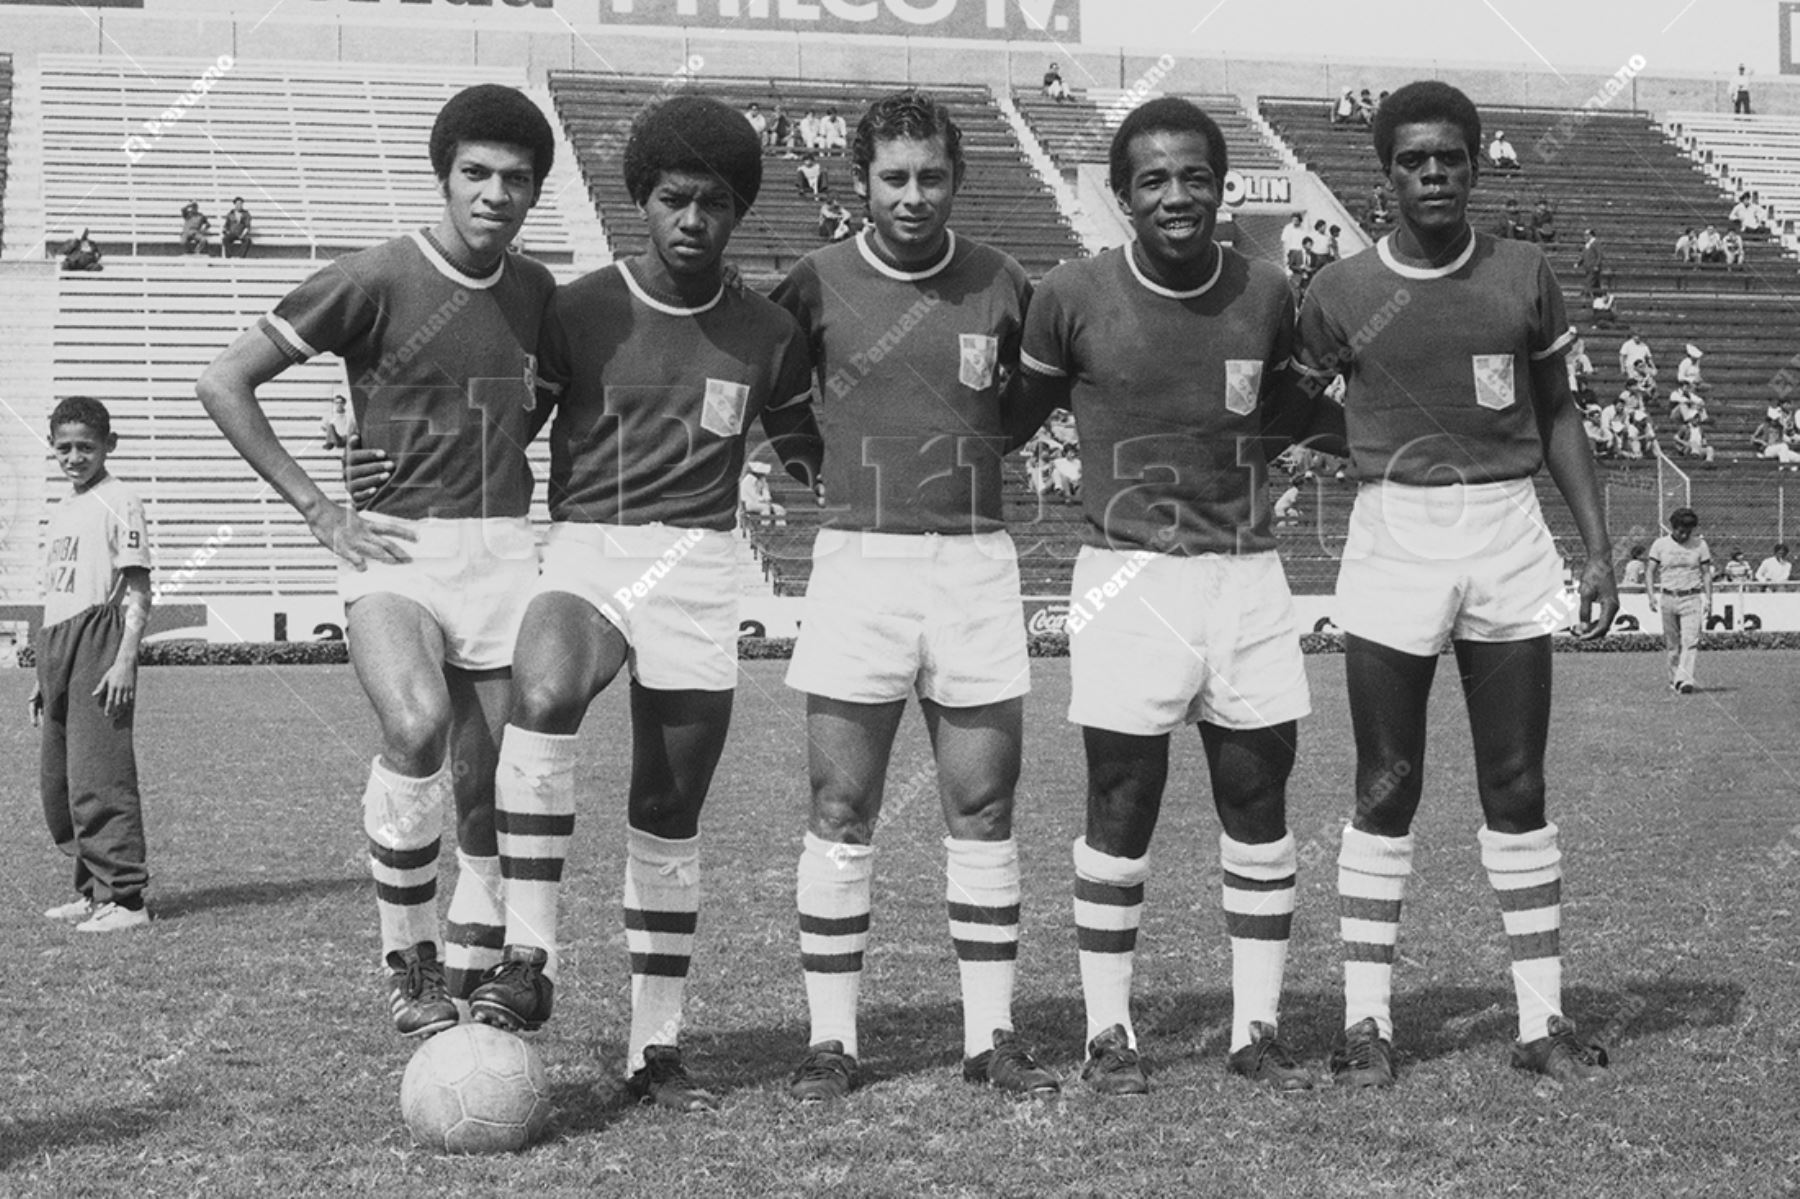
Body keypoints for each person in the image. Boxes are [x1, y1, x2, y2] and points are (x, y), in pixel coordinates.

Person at [452, 95, 821, 1112]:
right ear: (640, 201)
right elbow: (502, 434)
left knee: (667, 811)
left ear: (738, 210)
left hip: (702, 566)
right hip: (590, 542)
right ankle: (529, 948)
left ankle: (655, 1048)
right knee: (547, 684)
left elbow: (803, 448)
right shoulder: (579, 309)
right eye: (672, 198)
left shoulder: (769, 332)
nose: (691, 218)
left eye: (712, 202)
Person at [197, 84, 560, 1036]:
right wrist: (322, 506)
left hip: (505, 550)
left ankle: (483, 973)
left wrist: (378, 427)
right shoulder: (372, 276)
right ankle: (409, 955)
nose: (494, 194)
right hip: (394, 547)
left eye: (516, 180)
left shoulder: (538, 294)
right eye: (475, 173)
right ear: (443, 175)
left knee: (489, 780)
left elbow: (533, 409)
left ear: (535, 193)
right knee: (417, 722)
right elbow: (223, 378)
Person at [1295, 80, 1617, 1087]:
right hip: (1395, 528)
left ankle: (1539, 1021)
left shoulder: (1522, 273)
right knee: (1386, 781)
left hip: (1507, 527)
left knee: (1516, 781)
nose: (1432, 172)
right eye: (1412, 159)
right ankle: (1366, 1022)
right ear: (1383, 171)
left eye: (1450, 156)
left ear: (1477, 163)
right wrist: (1364, 445)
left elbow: (1559, 411)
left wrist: (1597, 545)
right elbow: (1293, 407)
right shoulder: (1340, 291)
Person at [1017, 95, 1325, 1096]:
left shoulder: (1270, 293)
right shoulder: (1070, 293)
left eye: (1195, 174)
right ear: (1121, 196)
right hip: (1126, 578)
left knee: (1255, 798)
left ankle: (1257, 1032)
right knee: (1121, 800)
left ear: (1223, 185)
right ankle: (1110, 1032)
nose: (1176, 193)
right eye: (1152, 178)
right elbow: (1009, 415)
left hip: (1244, 574)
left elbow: (1287, 408)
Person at [771, 88, 1060, 1104]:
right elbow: (772, 388)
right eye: (893, 176)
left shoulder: (1002, 281)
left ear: (958, 179)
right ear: (859, 183)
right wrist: (817, 462)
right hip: (858, 560)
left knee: (982, 803)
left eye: (931, 175)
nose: (913, 195)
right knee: (840, 803)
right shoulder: (813, 281)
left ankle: (991, 1038)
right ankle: (831, 1042)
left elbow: (1021, 404)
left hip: (976, 560)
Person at [31, 396, 154, 934]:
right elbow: (56, 592)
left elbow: (138, 586)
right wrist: (43, 675)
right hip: (58, 644)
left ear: (110, 445)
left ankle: (126, 899)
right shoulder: (62, 508)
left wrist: (126, 658)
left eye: (86, 446)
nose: (75, 457)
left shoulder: (119, 499)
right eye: (64, 448)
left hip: (99, 638)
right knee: (59, 782)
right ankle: (91, 889)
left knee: (99, 774)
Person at [1646, 508, 1711, 693]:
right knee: (1673, 646)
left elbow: (1706, 574)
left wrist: (1709, 598)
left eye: (1688, 532)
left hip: (1691, 598)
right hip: (1668, 598)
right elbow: (1650, 571)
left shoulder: (1700, 545)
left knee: (1690, 641)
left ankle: (1685, 680)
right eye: (1680, 531)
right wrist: (1651, 596)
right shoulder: (1660, 545)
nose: (1683, 535)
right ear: (1672, 527)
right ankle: (1675, 679)